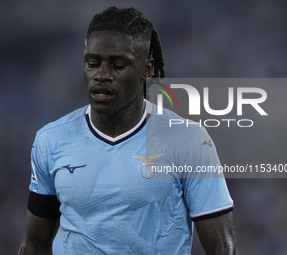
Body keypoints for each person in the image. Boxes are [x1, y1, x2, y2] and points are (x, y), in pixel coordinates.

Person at [19, 6, 237, 255]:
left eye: (118, 65)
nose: (101, 75)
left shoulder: (188, 140)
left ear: (146, 69)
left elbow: (223, 248)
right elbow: (34, 244)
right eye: (92, 63)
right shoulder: (51, 140)